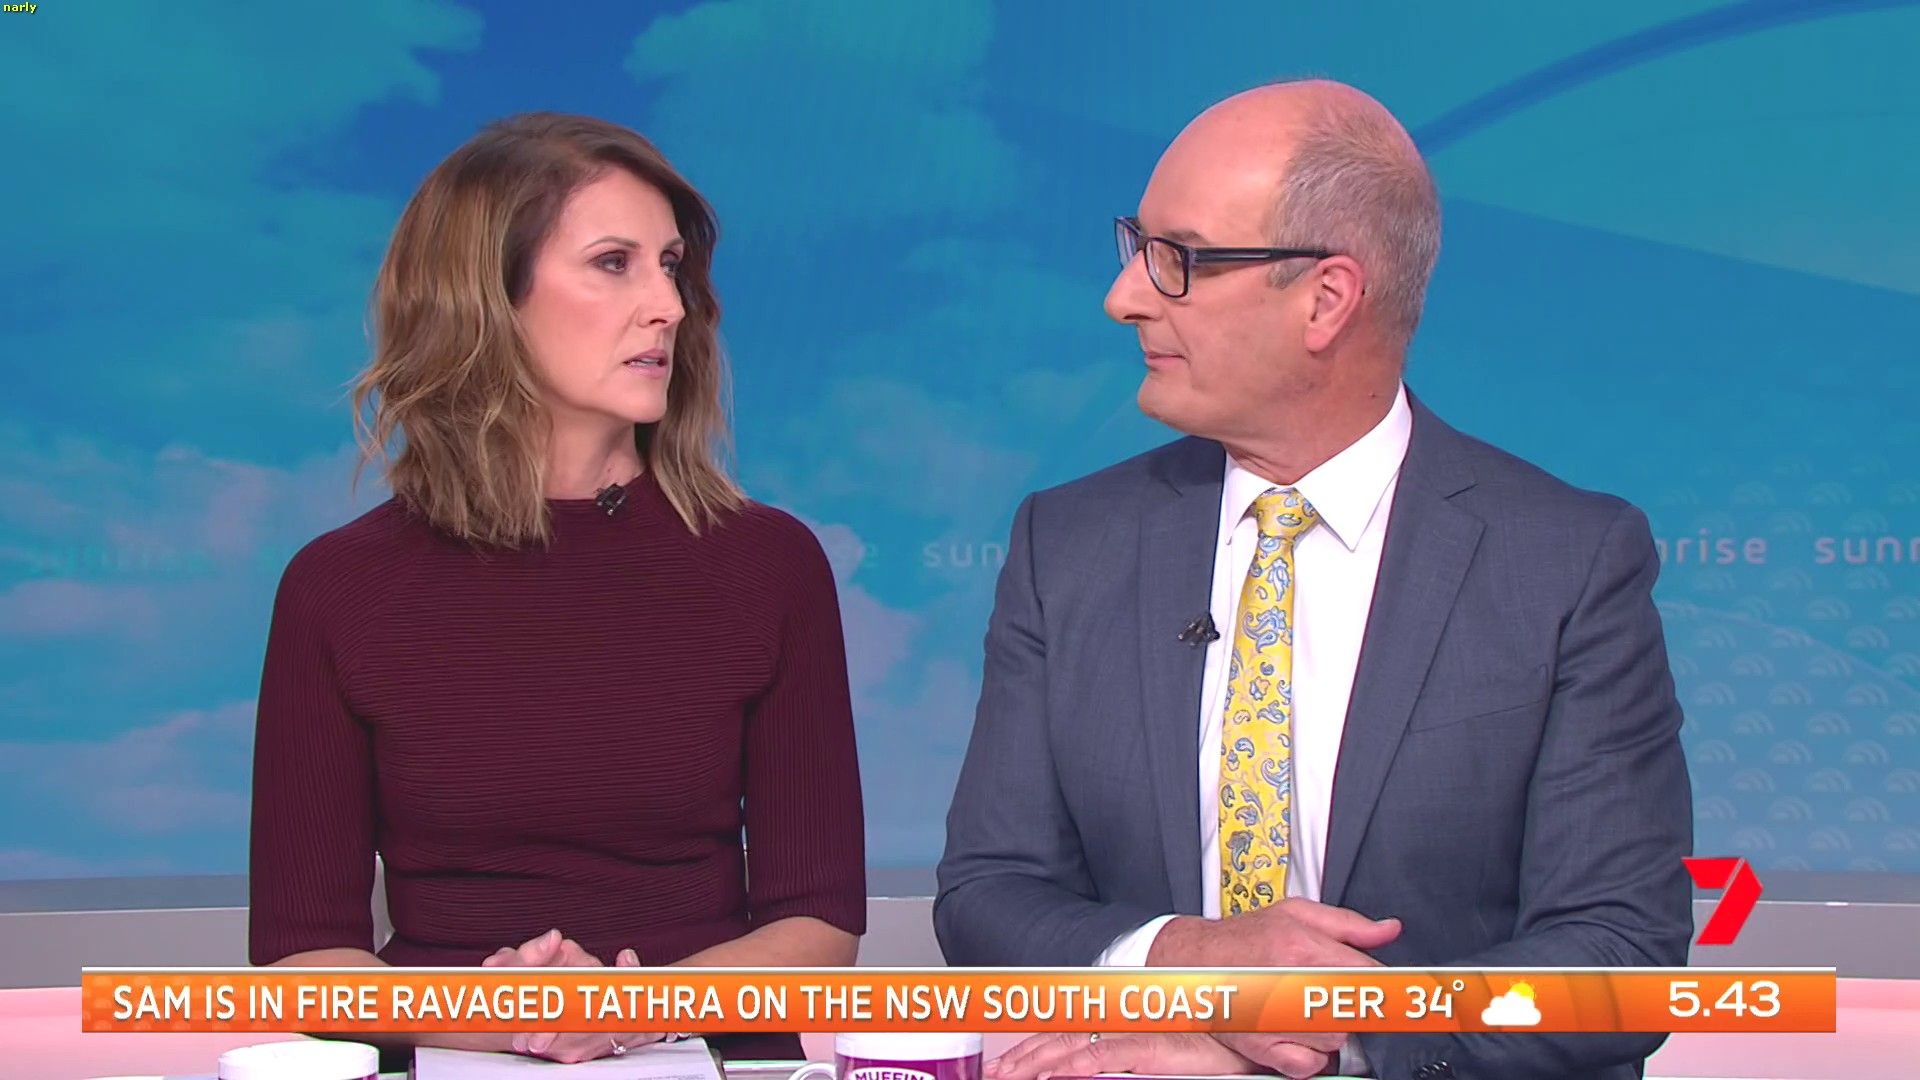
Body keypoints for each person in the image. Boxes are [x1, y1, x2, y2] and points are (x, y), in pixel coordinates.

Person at [936, 80, 1691, 1080]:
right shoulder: (1068, 545)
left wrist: (1329, 1043)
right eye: (1135, 248)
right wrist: (1189, 967)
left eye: (1179, 260)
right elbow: (989, 895)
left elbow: (1618, 958)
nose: (1124, 298)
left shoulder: (1565, 562)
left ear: (1327, 300)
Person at [249, 112, 866, 1066]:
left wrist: (630, 1009)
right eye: (615, 263)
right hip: (443, 1051)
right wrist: (504, 1017)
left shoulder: (769, 564)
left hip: (704, 1051)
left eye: (671, 266)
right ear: (485, 299)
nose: (668, 306)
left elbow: (819, 927)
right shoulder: (338, 588)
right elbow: (302, 958)